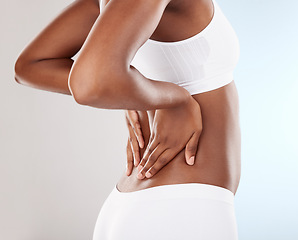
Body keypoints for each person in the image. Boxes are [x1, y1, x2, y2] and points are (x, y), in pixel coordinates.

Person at [14, 0, 241, 239]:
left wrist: (135, 94)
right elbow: (89, 83)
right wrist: (175, 100)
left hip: (147, 206)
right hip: (181, 209)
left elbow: (32, 65)